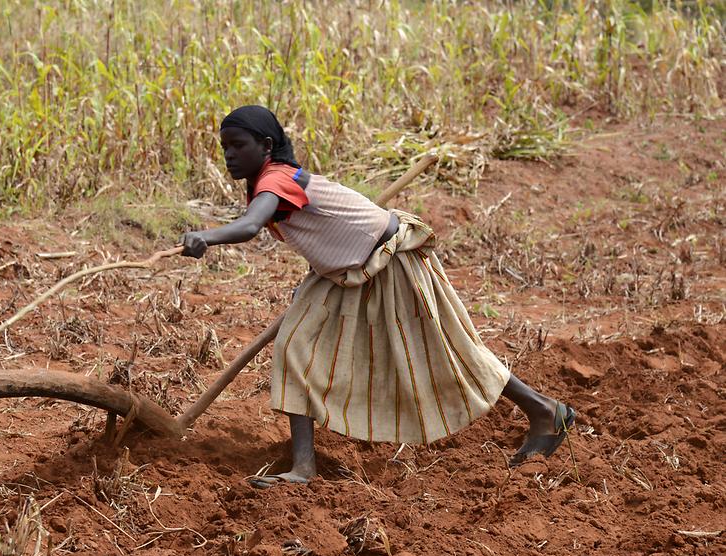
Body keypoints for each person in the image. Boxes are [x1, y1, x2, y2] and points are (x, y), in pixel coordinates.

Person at [180, 105, 574, 487]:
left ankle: (544, 411)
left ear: (266, 146)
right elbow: (324, 232)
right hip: (347, 271)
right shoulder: (269, 182)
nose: (229, 155)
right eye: (224, 147)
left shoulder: (276, 179)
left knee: (448, 351)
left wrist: (206, 236)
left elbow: (249, 227)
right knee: (294, 350)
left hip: (391, 264)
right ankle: (302, 468)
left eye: (238, 145)